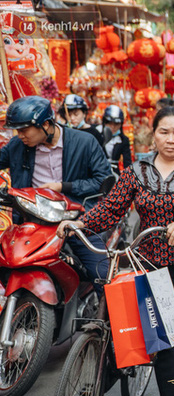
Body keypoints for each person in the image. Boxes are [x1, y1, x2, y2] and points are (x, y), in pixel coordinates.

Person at [57, 105, 174, 396]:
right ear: (152, 135)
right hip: (153, 263)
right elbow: (112, 207)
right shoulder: (136, 172)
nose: (170, 139)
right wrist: (81, 223)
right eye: (164, 132)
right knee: (164, 333)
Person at [1, 96, 112, 290]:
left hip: (75, 221)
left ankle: (106, 318)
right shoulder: (16, 146)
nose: (20, 135)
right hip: (31, 223)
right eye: (17, 130)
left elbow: (102, 180)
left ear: (45, 124)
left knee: (103, 273)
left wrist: (64, 187)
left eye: (24, 129)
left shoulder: (85, 142)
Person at [97, 105, 133, 175]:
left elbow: (127, 162)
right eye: (110, 123)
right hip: (98, 171)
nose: (113, 127)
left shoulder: (123, 140)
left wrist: (128, 177)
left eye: (116, 124)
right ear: (104, 122)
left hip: (114, 173)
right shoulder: (97, 134)